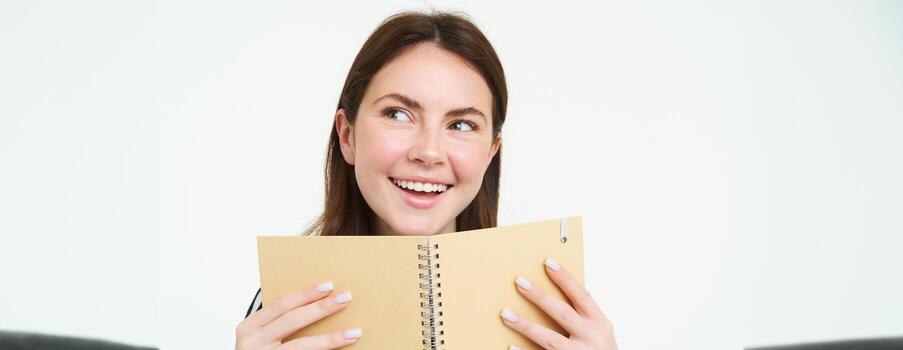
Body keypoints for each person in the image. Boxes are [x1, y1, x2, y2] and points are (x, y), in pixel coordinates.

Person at [234, 10, 617, 350]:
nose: (429, 151)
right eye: (398, 114)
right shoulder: (282, 314)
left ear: (491, 152)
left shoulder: (555, 314)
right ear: (347, 136)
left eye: (461, 125)